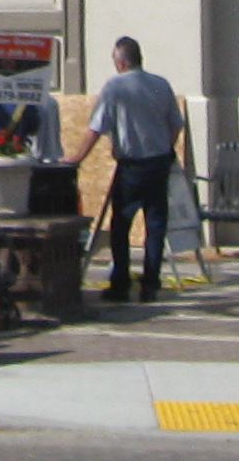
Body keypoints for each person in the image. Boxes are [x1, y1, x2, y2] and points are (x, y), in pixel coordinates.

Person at [69, 35, 188, 302]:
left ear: (121, 63)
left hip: (132, 166)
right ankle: (150, 284)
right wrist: (166, 150)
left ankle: (120, 283)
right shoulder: (160, 84)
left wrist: (78, 158)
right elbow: (176, 124)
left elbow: (96, 128)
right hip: (158, 163)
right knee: (156, 225)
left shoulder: (115, 87)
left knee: (121, 225)